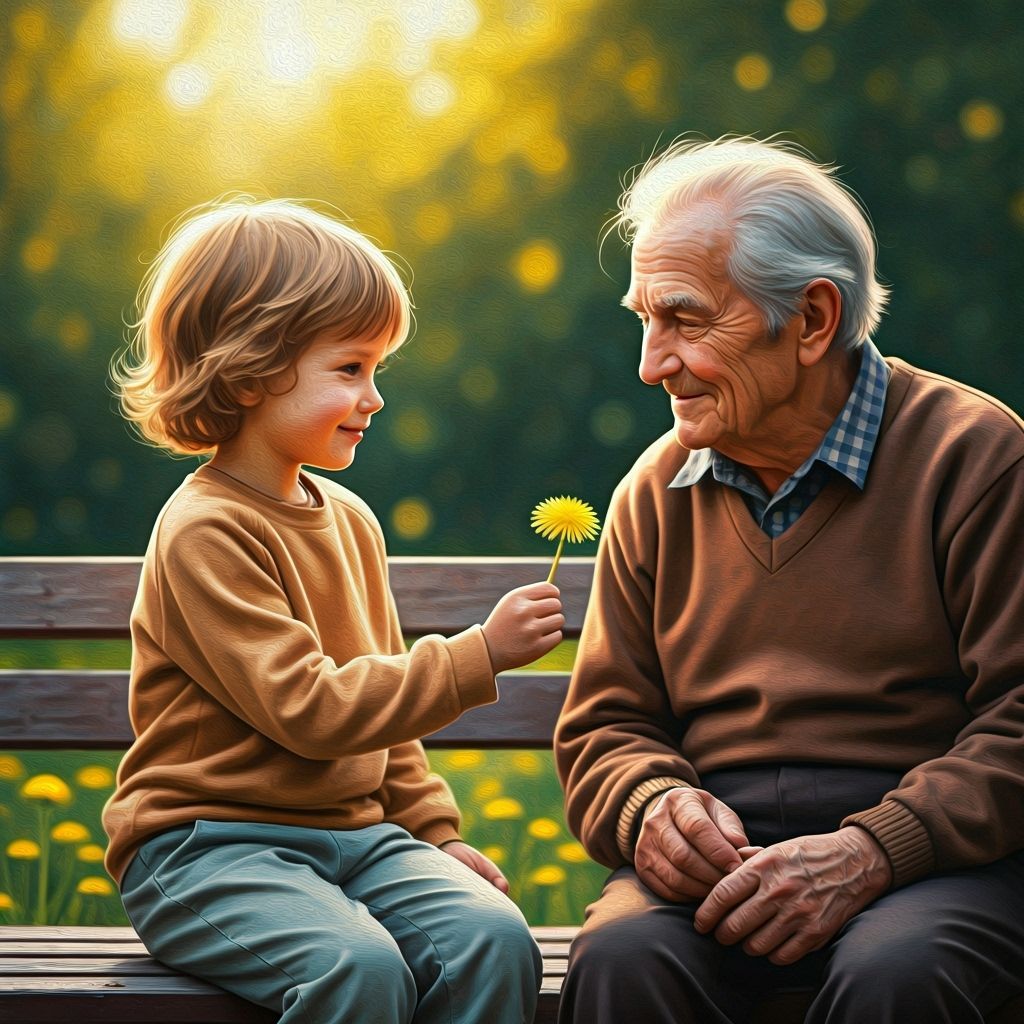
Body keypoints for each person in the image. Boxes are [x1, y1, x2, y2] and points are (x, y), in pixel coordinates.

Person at [555, 136, 1024, 1023]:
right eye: (644, 320)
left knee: (900, 974)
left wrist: (875, 851)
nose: (651, 363)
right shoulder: (653, 492)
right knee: (622, 956)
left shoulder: (977, 459)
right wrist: (653, 804)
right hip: (716, 869)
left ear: (811, 319)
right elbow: (605, 726)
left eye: (686, 321)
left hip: (936, 869)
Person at [102, 197, 564, 1024]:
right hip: (208, 849)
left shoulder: (350, 521)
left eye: (377, 370)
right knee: (356, 970)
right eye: (350, 369)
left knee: (494, 940)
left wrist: (435, 830)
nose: (374, 396)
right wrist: (477, 654)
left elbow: (390, 724)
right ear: (248, 372)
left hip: (356, 837)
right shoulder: (205, 530)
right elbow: (309, 710)